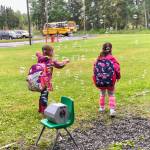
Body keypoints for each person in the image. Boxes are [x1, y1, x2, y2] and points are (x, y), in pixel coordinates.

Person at [36, 45, 69, 116]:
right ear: (49, 52)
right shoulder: (51, 60)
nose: (53, 52)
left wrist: (38, 53)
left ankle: (40, 109)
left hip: (40, 80)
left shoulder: (41, 58)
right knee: (45, 95)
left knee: (42, 95)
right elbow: (60, 65)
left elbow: (38, 54)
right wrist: (65, 61)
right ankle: (43, 112)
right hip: (46, 81)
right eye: (52, 51)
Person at [93, 42, 121, 116]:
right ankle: (112, 110)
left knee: (102, 94)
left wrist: (96, 79)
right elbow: (117, 68)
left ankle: (101, 108)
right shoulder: (112, 58)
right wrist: (118, 77)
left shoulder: (99, 58)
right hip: (110, 81)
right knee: (111, 94)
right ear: (111, 49)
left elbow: (95, 70)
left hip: (100, 81)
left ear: (103, 49)